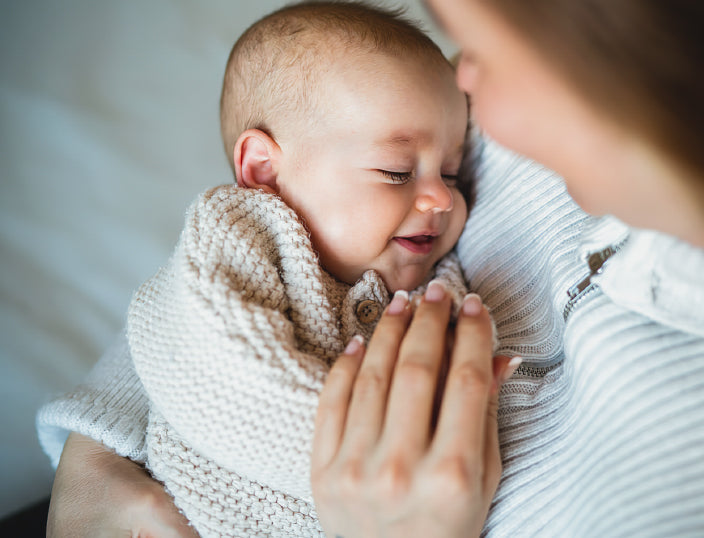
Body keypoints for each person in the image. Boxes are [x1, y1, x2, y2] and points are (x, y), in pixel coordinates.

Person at [39, 0, 704, 536]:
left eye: (474, 43)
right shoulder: (461, 121)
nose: (462, 78)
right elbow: (210, 294)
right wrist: (95, 453)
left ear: (626, 62)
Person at [41, 2, 511, 536]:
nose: (441, 199)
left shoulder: (439, 278)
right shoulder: (239, 242)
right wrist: (418, 430)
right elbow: (215, 371)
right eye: (396, 171)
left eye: (450, 172)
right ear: (264, 171)